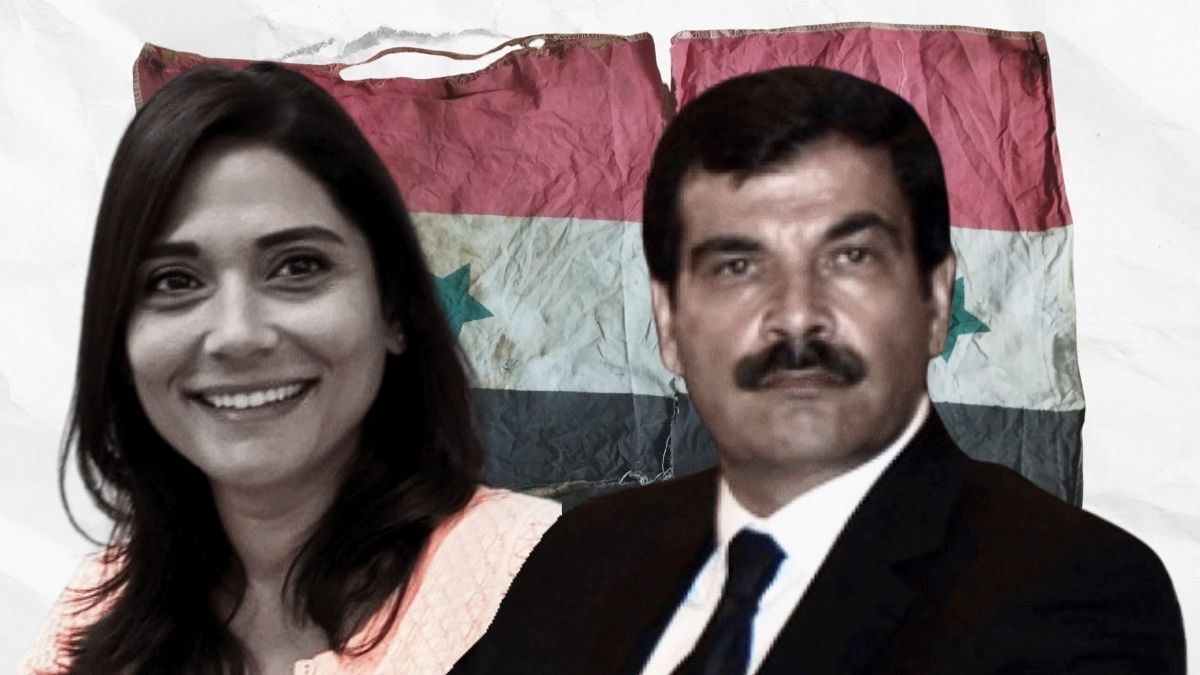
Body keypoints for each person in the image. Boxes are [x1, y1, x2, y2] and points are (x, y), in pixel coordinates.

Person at [451, 66, 1185, 674]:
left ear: (935, 301)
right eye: (738, 266)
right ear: (670, 324)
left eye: (850, 257)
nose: (796, 316)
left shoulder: (1073, 587)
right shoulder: (587, 554)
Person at [21, 62, 559, 675]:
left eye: (298, 267)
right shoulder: (89, 618)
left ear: (394, 307)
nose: (237, 335)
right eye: (173, 281)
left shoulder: (541, 577)